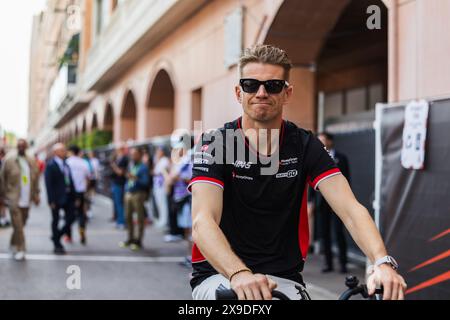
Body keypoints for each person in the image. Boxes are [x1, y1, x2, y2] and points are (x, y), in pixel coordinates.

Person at [189, 44, 407, 300]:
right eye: (251, 85)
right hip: (222, 275)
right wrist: (239, 274)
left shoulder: (304, 144)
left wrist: (382, 262)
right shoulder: (216, 143)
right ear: (239, 92)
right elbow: (202, 222)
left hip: (284, 279)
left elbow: (350, 209)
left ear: (287, 92)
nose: (261, 93)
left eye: (272, 85)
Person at [309, 132, 350, 274]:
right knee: (324, 234)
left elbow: (347, 179)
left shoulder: (341, 158)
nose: (321, 142)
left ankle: (343, 263)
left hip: (338, 202)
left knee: (338, 232)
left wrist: (345, 200)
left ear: (330, 141)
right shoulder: (315, 158)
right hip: (322, 203)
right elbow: (311, 182)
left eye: (323, 140)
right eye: (318, 140)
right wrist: (311, 202)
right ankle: (328, 263)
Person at [0, 139, 40, 260]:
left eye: (24, 145)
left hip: (27, 199)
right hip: (13, 198)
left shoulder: (32, 161)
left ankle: (13, 243)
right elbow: (2, 179)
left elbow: (36, 179)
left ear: (26, 147)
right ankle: (21, 249)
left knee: (21, 224)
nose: (21, 147)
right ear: (17, 147)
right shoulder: (9, 161)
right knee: (18, 225)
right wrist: (2, 195)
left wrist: (37, 194)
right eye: (19, 146)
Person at [166, 136, 193, 267]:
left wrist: (179, 178)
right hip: (181, 198)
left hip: (188, 199)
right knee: (187, 230)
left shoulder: (189, 160)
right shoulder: (182, 161)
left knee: (191, 230)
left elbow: (191, 179)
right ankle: (190, 256)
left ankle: (193, 258)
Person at [44, 143, 76, 254]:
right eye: (62, 150)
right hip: (56, 198)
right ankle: (57, 245)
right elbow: (48, 184)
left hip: (68, 196)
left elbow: (70, 180)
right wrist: (50, 200)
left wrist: (74, 195)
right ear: (56, 152)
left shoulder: (66, 164)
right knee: (55, 220)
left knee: (71, 217)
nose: (64, 152)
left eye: (64, 149)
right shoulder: (50, 165)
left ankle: (56, 236)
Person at [119, 147, 150, 251]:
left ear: (140, 155)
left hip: (138, 194)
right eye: (131, 154)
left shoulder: (143, 167)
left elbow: (145, 183)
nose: (132, 156)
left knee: (139, 218)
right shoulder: (132, 165)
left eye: (135, 154)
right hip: (129, 193)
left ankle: (138, 240)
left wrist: (135, 178)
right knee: (127, 217)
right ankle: (130, 238)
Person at [66, 145, 91, 245]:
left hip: (70, 192)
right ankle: (82, 234)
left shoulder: (67, 162)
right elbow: (88, 177)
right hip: (81, 192)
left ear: (71, 152)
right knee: (81, 214)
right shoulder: (84, 162)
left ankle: (69, 236)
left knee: (69, 214)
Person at [152, 147, 171, 231]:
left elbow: (160, 172)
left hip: (162, 184)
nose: (157, 152)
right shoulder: (158, 160)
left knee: (163, 203)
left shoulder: (164, 160)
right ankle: (161, 219)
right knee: (158, 202)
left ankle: (164, 221)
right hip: (157, 184)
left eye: (159, 151)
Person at [110, 144, 129, 229]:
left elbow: (120, 172)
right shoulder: (118, 158)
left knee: (119, 203)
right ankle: (119, 220)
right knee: (117, 203)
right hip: (116, 183)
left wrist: (113, 165)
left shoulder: (124, 158)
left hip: (120, 183)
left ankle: (121, 222)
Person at [0, 147, 11, 228]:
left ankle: (4, 219)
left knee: (3, 204)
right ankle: (3, 219)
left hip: (3, 188)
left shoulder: (4, 162)